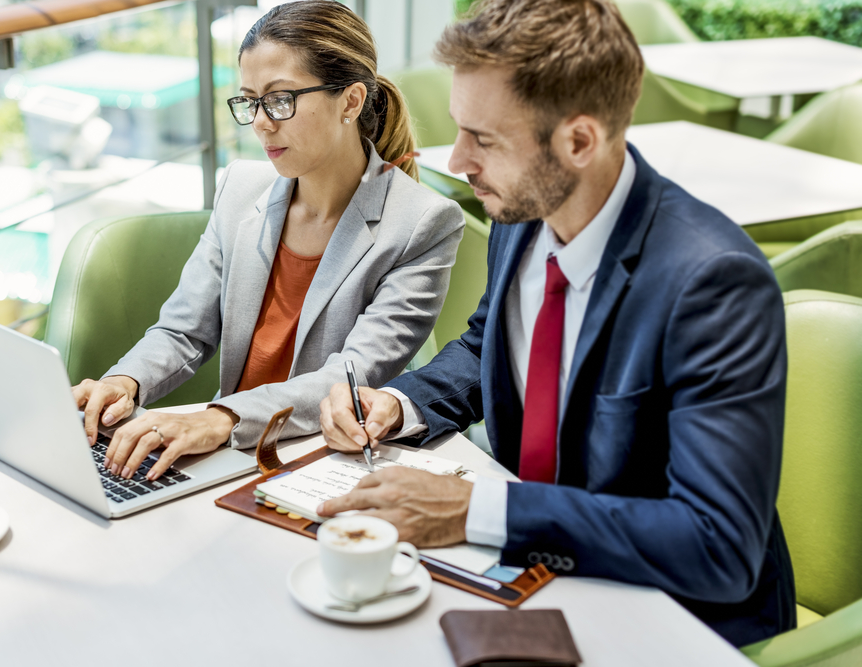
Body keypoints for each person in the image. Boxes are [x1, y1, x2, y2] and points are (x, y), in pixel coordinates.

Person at [318, 0, 794, 647]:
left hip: (671, 616)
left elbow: (717, 544)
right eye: (460, 129)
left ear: (578, 141)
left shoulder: (713, 281)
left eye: (483, 138)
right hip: (530, 577)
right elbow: (494, 341)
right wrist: (401, 403)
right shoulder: (521, 213)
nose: (457, 161)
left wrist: (477, 509)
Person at [73, 0, 464, 483]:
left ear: (351, 100)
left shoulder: (423, 222)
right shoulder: (240, 187)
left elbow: (351, 375)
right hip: (223, 456)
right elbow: (183, 330)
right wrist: (125, 380)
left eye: (281, 100)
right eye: (249, 100)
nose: (261, 122)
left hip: (317, 462)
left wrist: (221, 419)